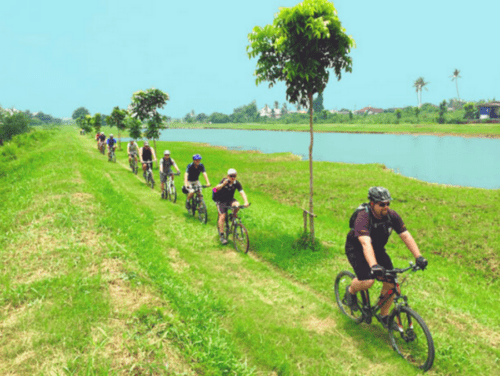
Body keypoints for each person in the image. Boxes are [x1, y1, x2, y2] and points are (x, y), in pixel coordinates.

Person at [344, 186, 428, 329]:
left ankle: (384, 315)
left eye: (388, 203)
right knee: (368, 280)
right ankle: (350, 291)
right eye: (382, 204)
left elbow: (405, 235)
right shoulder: (363, 217)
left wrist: (418, 256)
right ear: (372, 204)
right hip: (357, 249)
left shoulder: (391, 216)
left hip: (377, 249)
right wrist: (374, 266)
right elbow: (365, 243)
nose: (386, 207)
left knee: (391, 281)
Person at [212, 168, 249, 244]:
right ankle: (222, 236)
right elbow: (214, 190)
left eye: (234, 176)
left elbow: (242, 192)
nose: (233, 178)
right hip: (220, 200)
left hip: (229, 199)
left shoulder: (236, 183)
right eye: (231, 176)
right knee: (222, 216)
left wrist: (246, 201)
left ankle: (233, 215)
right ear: (228, 176)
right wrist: (222, 185)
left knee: (237, 205)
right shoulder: (224, 181)